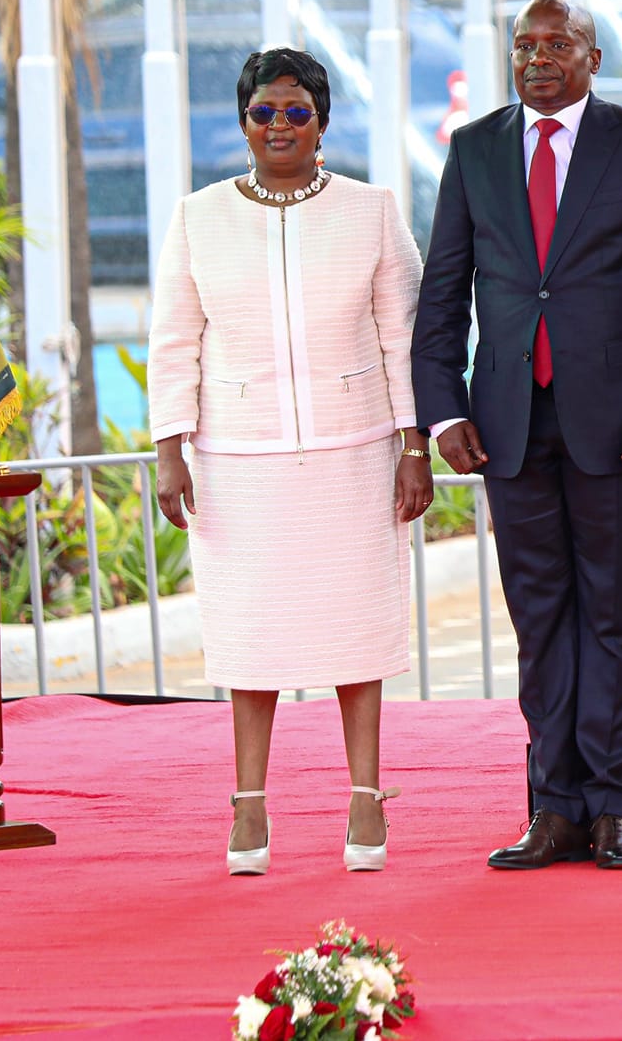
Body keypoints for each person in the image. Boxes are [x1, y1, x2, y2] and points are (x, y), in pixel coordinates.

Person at [412, 0, 622, 872]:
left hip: (620, 427)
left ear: (593, 55)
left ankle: (614, 806)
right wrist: (445, 410)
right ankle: (554, 808)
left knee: (612, 620)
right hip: (506, 424)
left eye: (557, 44)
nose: (538, 58)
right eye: (523, 45)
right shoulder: (473, 151)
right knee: (539, 622)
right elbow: (443, 295)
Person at [149, 47, 430, 877]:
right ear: (242, 123)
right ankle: (248, 806)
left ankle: (367, 799)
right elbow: (173, 342)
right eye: (264, 112)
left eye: (296, 112)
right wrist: (171, 449)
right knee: (250, 638)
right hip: (238, 460)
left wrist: (415, 447)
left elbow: (405, 339)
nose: (279, 126)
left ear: (323, 122)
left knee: (358, 632)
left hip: (357, 453)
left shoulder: (373, 210)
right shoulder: (197, 217)